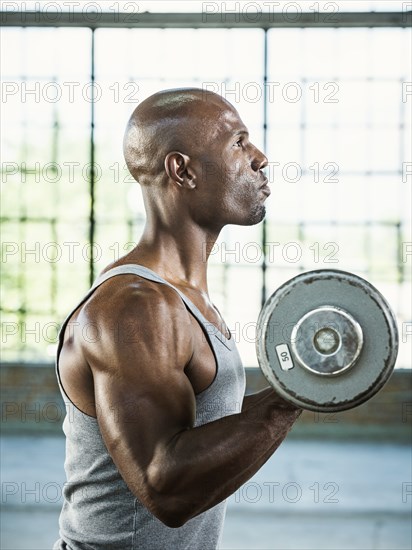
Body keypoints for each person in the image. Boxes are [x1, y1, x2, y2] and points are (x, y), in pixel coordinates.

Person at [53, 88, 302, 550]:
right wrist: (297, 397)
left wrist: (296, 389)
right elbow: (166, 486)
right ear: (181, 170)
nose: (260, 158)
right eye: (239, 143)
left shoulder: (185, 296)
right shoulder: (135, 306)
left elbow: (205, 429)